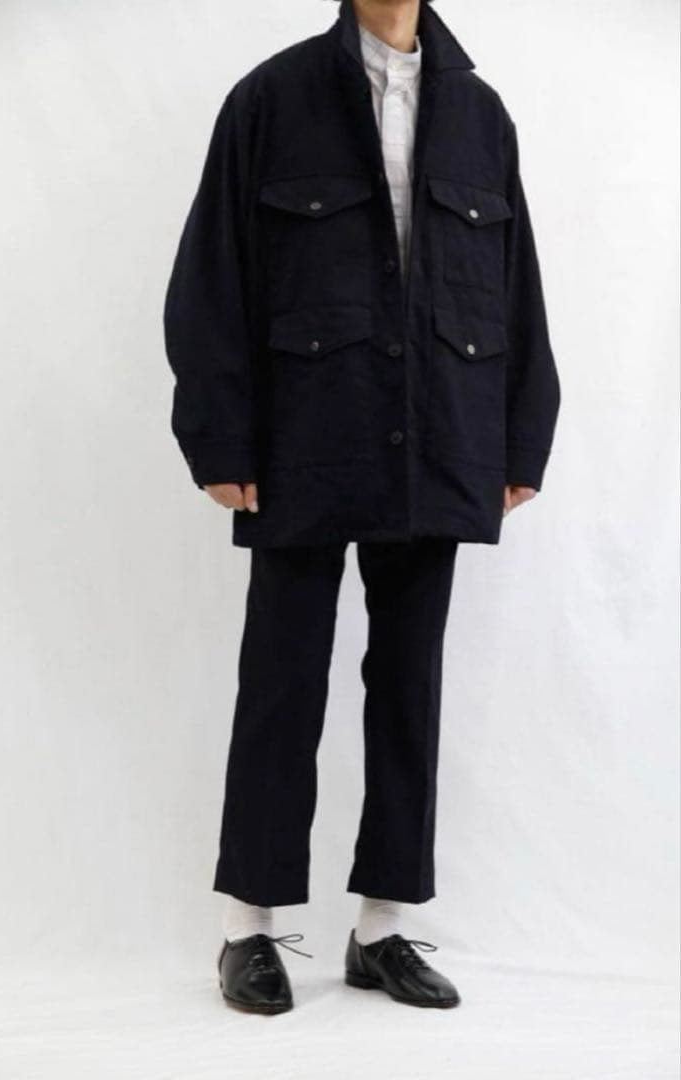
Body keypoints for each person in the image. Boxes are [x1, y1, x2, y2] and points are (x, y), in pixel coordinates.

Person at [163, 0, 560, 1014]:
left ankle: (382, 927)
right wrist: (219, 435)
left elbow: (514, 283)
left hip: (440, 434)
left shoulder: (480, 114)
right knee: (282, 678)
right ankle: (247, 928)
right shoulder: (273, 98)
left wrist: (520, 436)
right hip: (306, 431)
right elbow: (212, 273)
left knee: (410, 685)